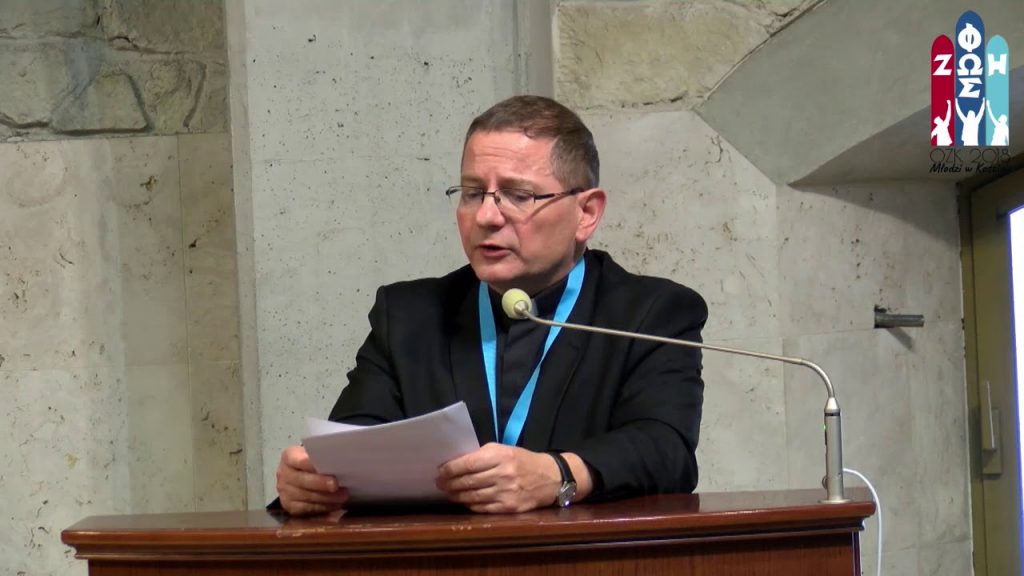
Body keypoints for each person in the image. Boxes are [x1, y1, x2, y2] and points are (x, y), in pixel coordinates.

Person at [274, 95, 707, 516]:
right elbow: (355, 442)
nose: (486, 216)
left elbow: (666, 449)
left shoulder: (650, 314)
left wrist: (558, 474)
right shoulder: (409, 315)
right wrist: (312, 483)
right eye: (472, 193)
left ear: (587, 213)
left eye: (518, 195)